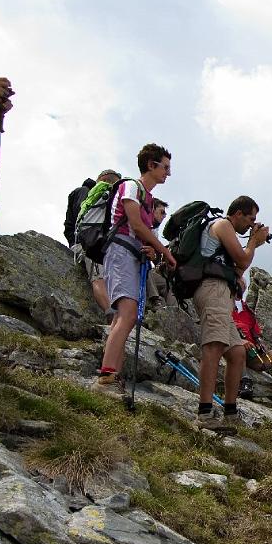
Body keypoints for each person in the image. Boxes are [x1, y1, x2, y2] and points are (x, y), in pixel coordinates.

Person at [93, 145, 176, 394]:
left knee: (124, 316)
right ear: (151, 165)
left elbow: (142, 233)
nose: (168, 174)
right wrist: (165, 252)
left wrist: (150, 249)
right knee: (127, 313)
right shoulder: (131, 186)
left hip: (131, 253)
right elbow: (137, 225)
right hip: (119, 251)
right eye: (165, 167)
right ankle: (106, 377)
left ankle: (112, 375)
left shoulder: (148, 198)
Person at [193, 195, 269, 432]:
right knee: (214, 346)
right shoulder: (223, 225)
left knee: (236, 353)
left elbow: (237, 266)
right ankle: (204, 413)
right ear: (238, 214)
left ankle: (230, 410)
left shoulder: (229, 234)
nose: (251, 224)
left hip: (222, 293)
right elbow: (243, 259)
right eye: (250, 218)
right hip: (211, 289)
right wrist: (253, 242)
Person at [70, 169, 123, 320]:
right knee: (98, 278)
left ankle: (115, 313)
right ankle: (111, 313)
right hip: (93, 243)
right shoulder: (96, 194)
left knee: (100, 277)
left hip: (90, 241)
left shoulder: (90, 195)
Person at [146, 198, 175, 310]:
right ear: (152, 209)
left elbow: (156, 259)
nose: (164, 216)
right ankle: (155, 300)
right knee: (145, 267)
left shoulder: (154, 231)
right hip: (131, 265)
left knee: (166, 284)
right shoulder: (141, 223)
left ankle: (174, 311)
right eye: (162, 212)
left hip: (145, 269)